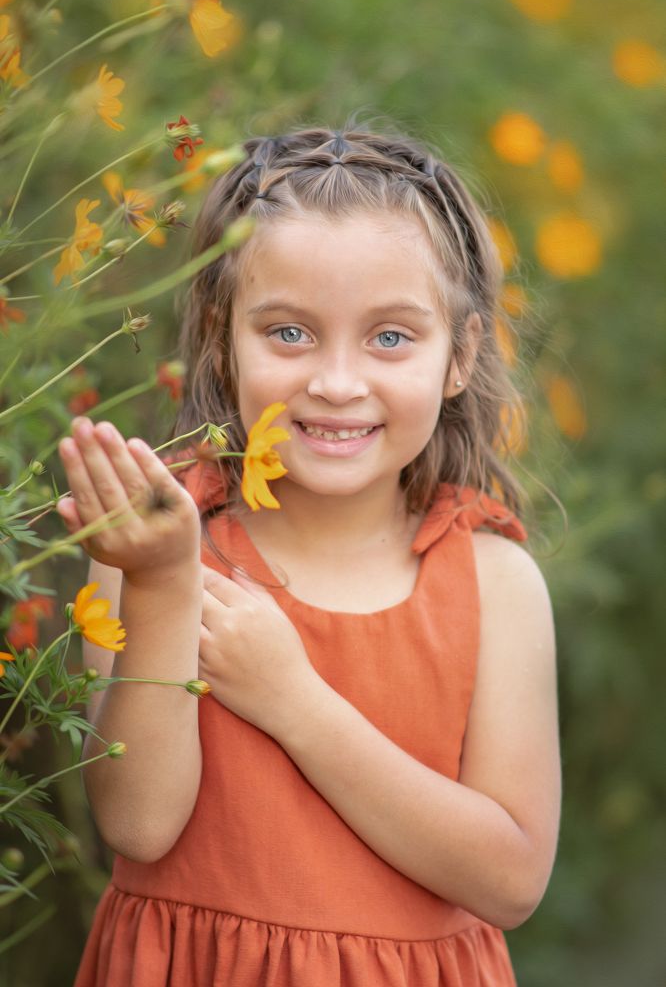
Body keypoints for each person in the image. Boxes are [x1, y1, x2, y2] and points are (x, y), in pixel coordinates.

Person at [56, 124, 561, 986]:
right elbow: (137, 827)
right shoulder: (166, 544)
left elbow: (510, 879)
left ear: (459, 357)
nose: (335, 381)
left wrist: (293, 700)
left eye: (390, 338)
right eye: (289, 334)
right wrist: (166, 585)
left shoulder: (494, 581)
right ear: (222, 339)